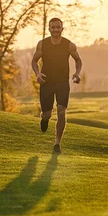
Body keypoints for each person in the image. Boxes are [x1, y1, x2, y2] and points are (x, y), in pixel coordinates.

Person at [31, 18, 82, 154]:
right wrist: (37, 74)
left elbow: (78, 60)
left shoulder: (69, 45)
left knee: (61, 110)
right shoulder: (42, 44)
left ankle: (57, 143)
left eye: (58, 27)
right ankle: (44, 118)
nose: (55, 30)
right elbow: (34, 61)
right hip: (46, 82)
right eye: (53, 27)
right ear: (49, 29)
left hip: (62, 82)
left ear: (62, 28)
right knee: (47, 114)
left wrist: (77, 73)